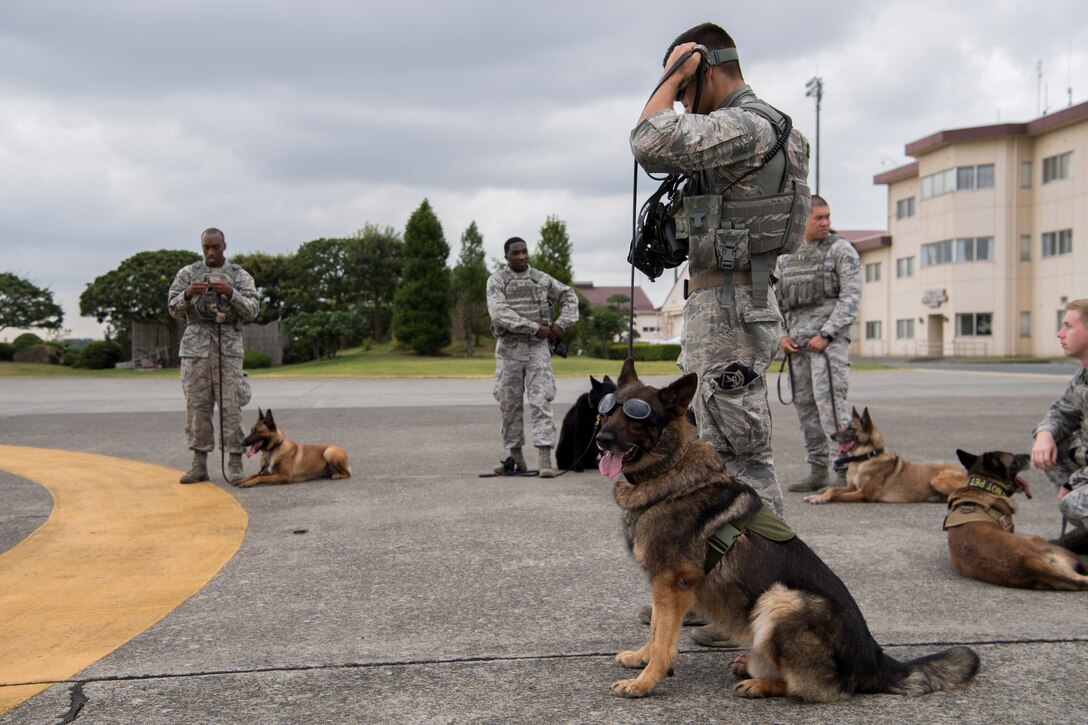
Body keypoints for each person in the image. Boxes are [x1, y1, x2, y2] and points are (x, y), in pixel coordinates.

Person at [629, 21, 811, 646]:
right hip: (723, 303)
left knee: (739, 453)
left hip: (735, 305)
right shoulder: (738, 130)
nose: (680, 101)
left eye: (685, 87)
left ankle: (773, 597)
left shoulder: (752, 123)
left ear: (708, 66)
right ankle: (725, 591)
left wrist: (675, 72)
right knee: (715, 446)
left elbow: (649, 141)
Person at [775, 195, 862, 492]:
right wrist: (781, 336)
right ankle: (817, 470)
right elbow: (778, 304)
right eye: (818, 218)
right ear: (802, 219)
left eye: (827, 217)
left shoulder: (841, 250)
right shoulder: (786, 257)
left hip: (828, 346)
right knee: (806, 410)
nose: (825, 222)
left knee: (833, 409)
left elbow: (851, 297)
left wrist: (826, 333)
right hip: (797, 347)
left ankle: (845, 470)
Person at [168, 228, 260, 483]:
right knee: (197, 407)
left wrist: (231, 292)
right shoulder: (188, 274)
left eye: (215, 247)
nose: (211, 252)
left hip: (228, 348)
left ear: (224, 246)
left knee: (231, 407)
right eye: (206, 247)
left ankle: (235, 463)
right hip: (195, 350)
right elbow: (172, 307)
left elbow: (253, 309)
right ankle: (199, 464)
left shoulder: (240, 276)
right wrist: (188, 294)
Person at [486, 237, 578, 478]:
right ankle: (516, 458)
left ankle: (545, 457)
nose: (521, 257)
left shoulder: (541, 278)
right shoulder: (497, 281)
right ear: (506, 256)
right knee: (509, 404)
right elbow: (499, 313)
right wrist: (533, 327)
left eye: (524, 252)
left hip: (538, 350)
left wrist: (561, 324)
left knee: (541, 401)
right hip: (509, 350)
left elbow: (569, 297)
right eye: (515, 253)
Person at [1031, 298, 1088, 554]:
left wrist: (1072, 483)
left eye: (1068, 326)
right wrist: (1044, 435)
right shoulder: (1084, 373)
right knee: (1051, 447)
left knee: (1074, 503)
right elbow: (1062, 412)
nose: (1059, 333)